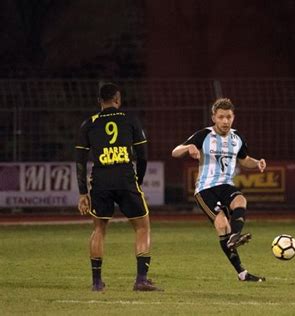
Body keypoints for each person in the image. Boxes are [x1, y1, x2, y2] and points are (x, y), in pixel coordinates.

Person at [75, 82, 163, 292]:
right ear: (117, 99)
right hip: (124, 178)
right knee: (142, 227)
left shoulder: (89, 123)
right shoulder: (130, 120)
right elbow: (142, 156)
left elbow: (79, 161)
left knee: (99, 229)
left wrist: (82, 193)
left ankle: (97, 283)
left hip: (101, 181)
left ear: (99, 102)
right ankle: (141, 280)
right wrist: (138, 180)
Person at [172, 98, 266, 282]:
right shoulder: (204, 135)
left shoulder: (237, 137)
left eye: (228, 117)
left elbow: (244, 159)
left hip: (225, 185)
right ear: (214, 117)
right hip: (205, 189)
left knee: (240, 201)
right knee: (222, 225)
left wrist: (257, 162)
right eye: (221, 117)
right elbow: (174, 151)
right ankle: (242, 272)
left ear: (233, 117)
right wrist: (189, 147)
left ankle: (235, 238)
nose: (225, 121)